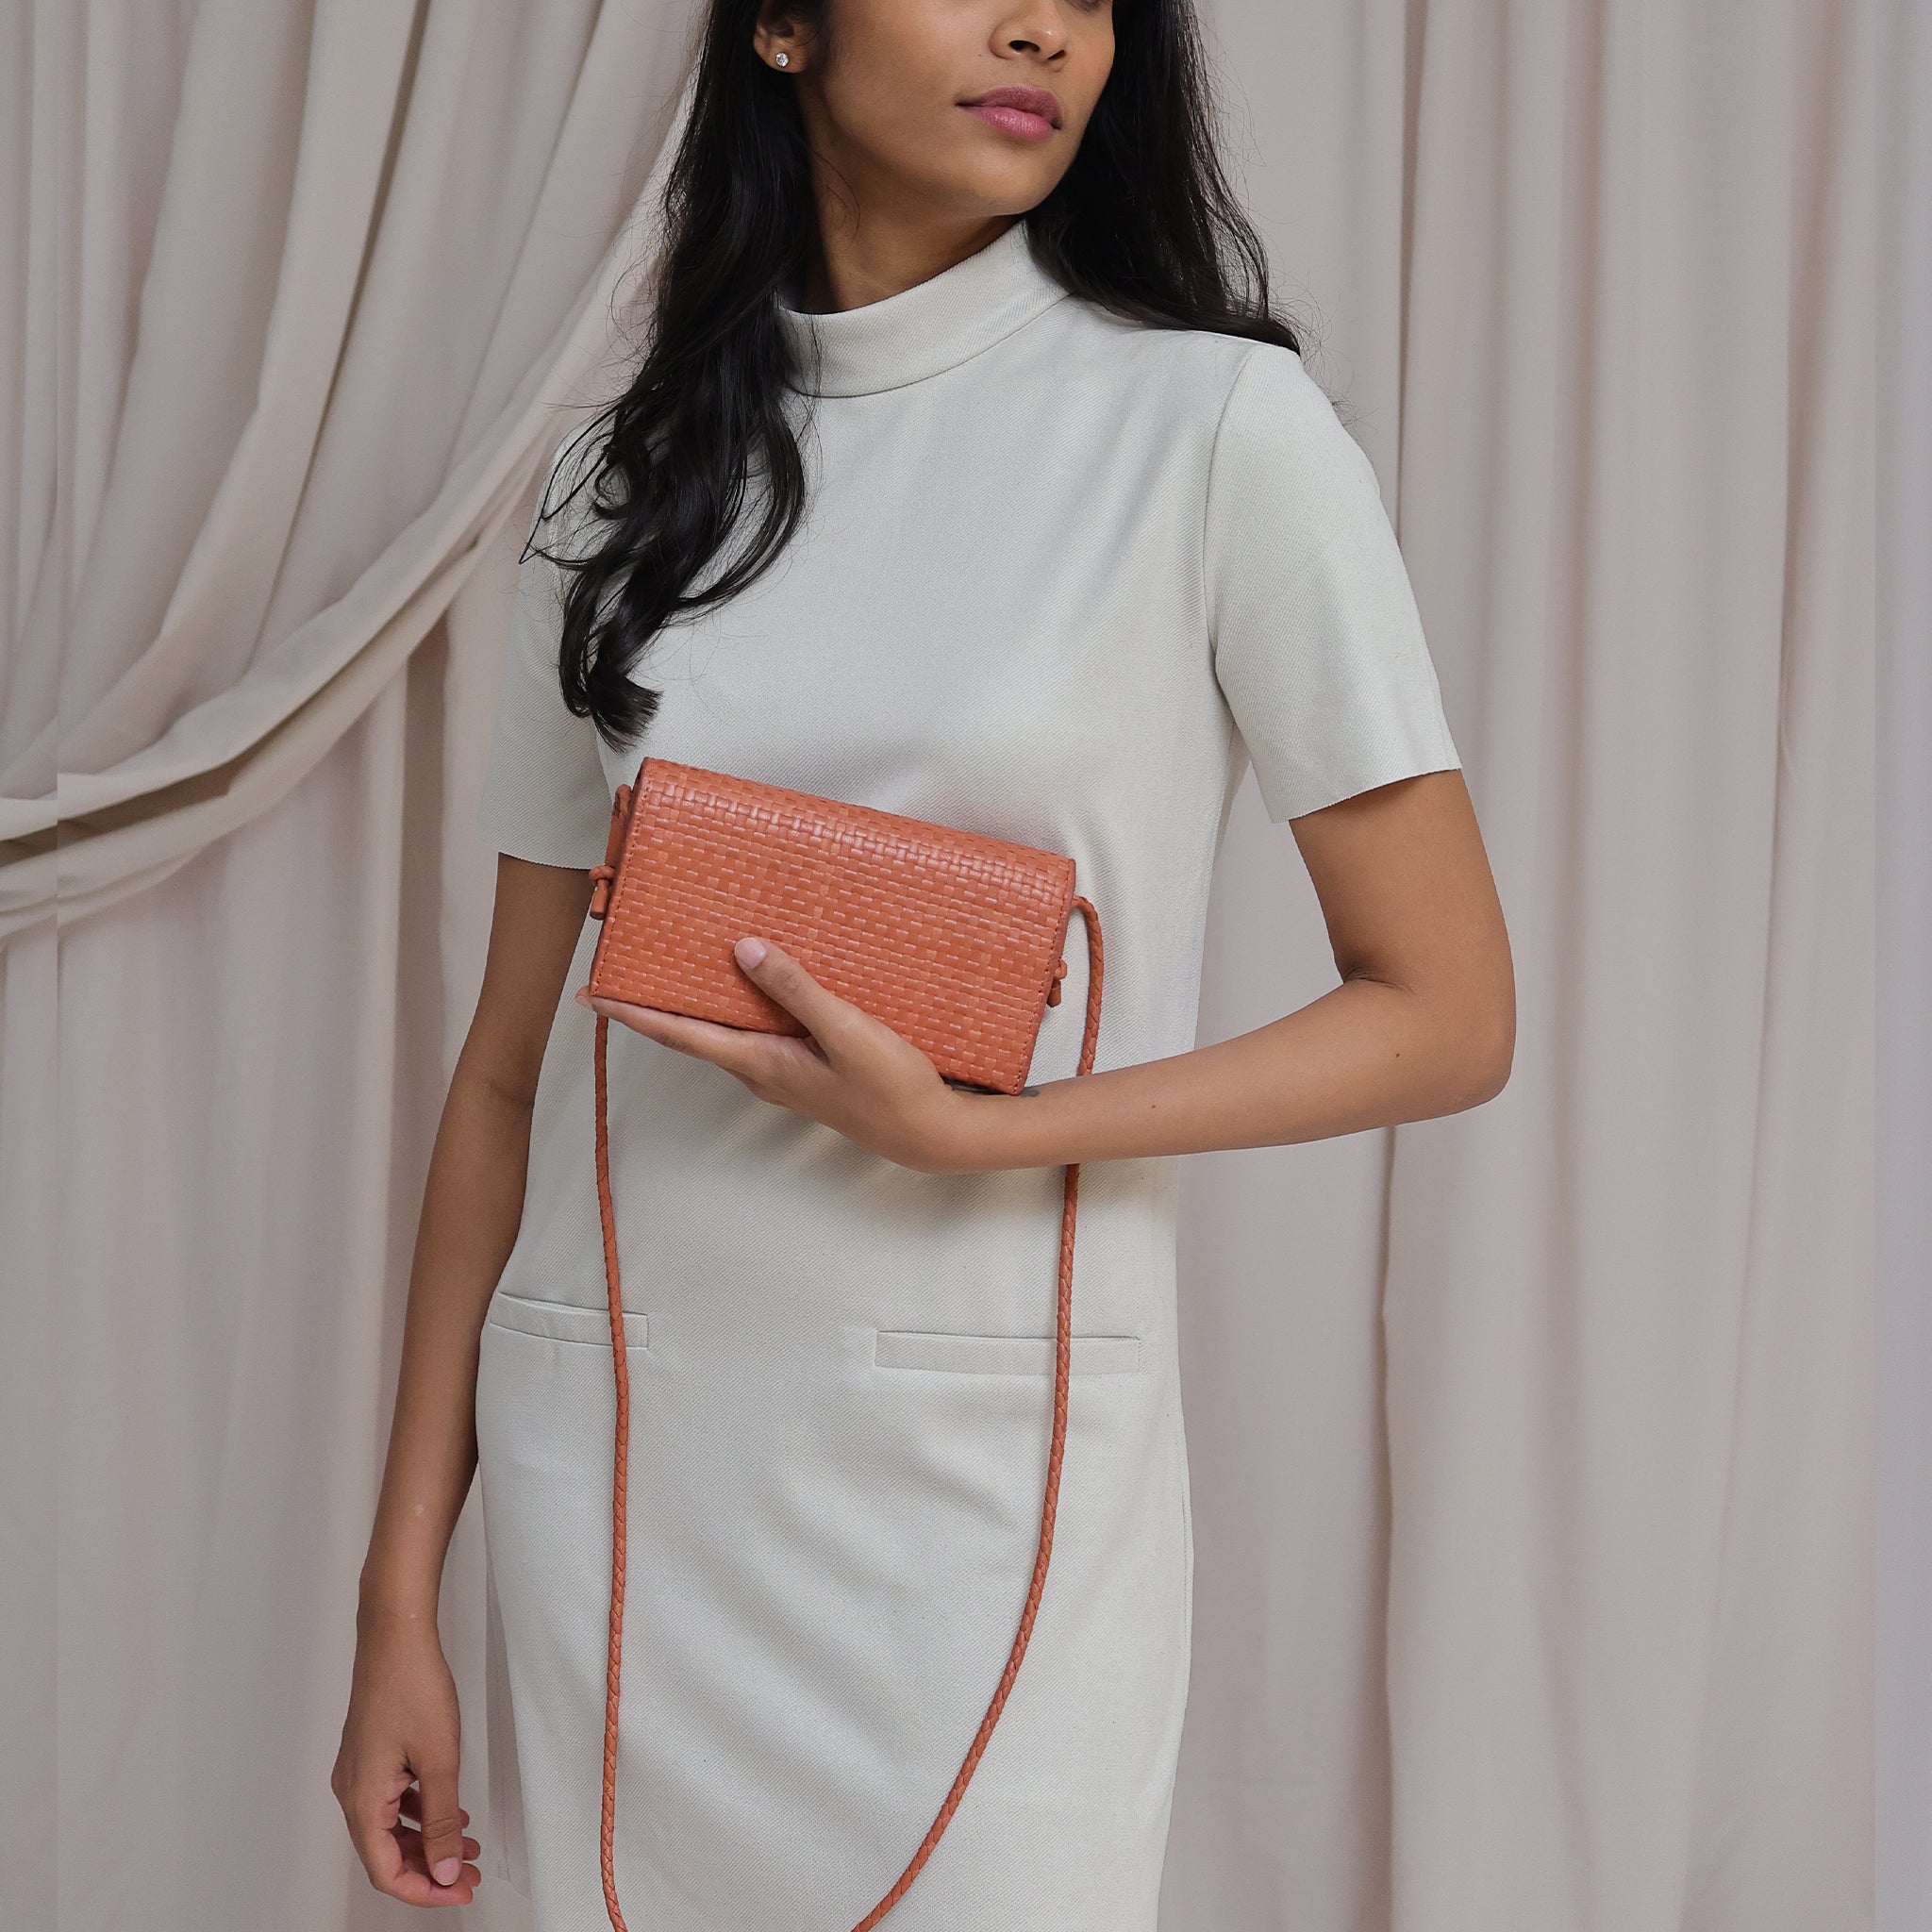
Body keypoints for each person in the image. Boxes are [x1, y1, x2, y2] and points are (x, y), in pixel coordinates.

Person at [331, 1, 1515, 1924]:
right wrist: (398, 1597)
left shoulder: (1217, 431)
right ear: (782, 24)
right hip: (619, 1477)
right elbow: (507, 1073)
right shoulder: (614, 488)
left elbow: (1447, 1014)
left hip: (981, 1505)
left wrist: (986, 1130)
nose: (1043, 25)